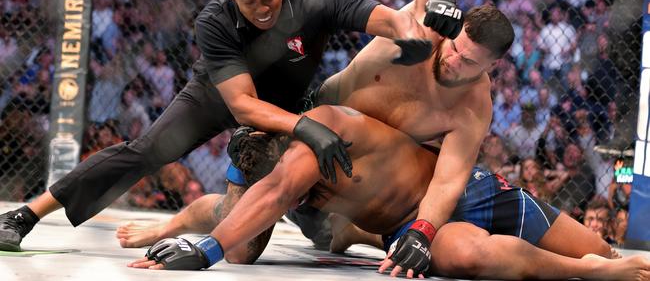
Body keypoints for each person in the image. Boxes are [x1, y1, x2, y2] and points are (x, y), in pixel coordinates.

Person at [123, 0, 512, 276]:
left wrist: (422, 233)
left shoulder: (472, 105)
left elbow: (447, 179)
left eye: (472, 62)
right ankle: (173, 224)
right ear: (454, 32)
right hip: (313, 125)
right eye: (458, 50)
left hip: (363, 169)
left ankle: (352, 231)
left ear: (490, 65)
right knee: (241, 247)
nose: (458, 62)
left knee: (327, 233)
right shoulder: (423, 24)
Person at [0, 0, 442, 252]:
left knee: (292, 222)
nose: (263, 7)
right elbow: (244, 105)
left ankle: (321, 222)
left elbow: (384, 16)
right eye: (250, 1)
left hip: (288, 104)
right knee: (147, 151)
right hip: (218, 95)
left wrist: (410, 35)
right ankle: (26, 215)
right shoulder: (215, 20)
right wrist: (306, 126)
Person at [127, 105, 650, 280]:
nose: (282, 187)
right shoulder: (282, 179)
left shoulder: (319, 131)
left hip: (463, 192)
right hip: (407, 229)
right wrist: (176, 229)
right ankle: (593, 273)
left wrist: (206, 252)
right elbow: (230, 210)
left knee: (601, 244)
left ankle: (601, 261)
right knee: (472, 255)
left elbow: (272, 193)